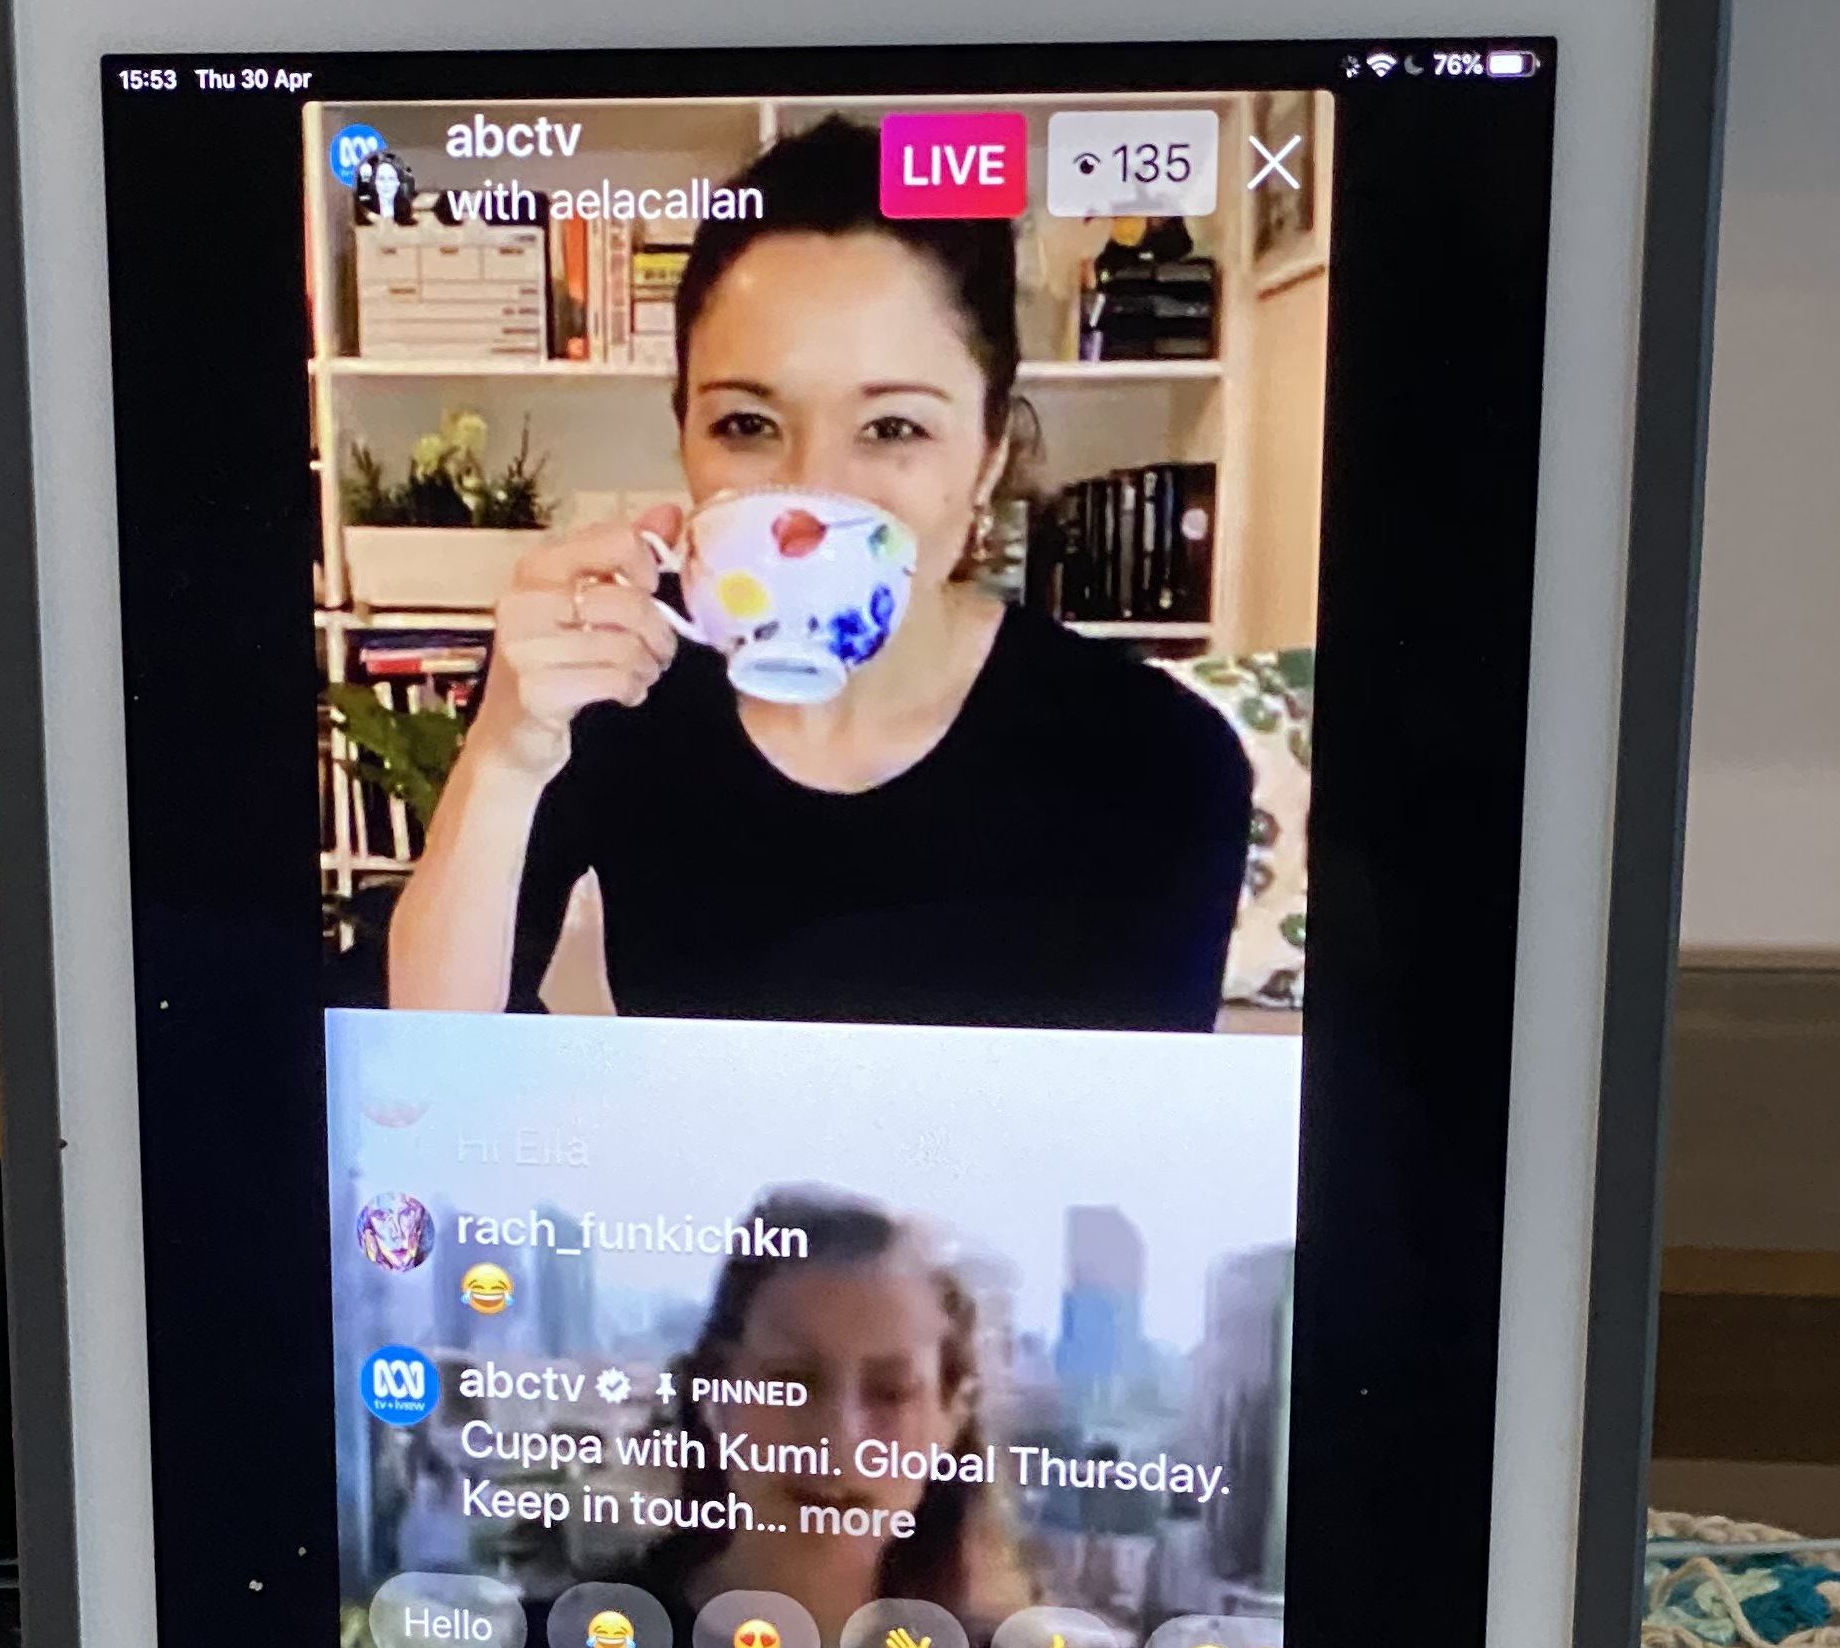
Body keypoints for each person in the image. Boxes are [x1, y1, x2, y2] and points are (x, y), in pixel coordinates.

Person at [385, 113, 1254, 1029]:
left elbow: (1133, 1150)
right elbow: (435, 1066)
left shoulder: (1155, 757)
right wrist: (503, 757)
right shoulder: (614, 684)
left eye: (893, 428)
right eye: (748, 425)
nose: (811, 499)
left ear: (989, 455)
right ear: (684, 433)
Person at [504, 1194, 1196, 1648]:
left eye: (891, 1392)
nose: (840, 1440)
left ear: (951, 1418)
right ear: (714, 1393)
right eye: (793, 1381)